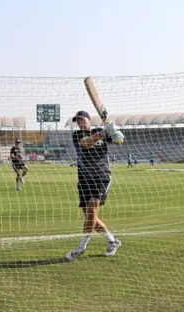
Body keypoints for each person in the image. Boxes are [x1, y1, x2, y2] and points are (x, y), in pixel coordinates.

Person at [65, 110, 124, 261]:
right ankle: (113, 241)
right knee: (91, 217)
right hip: (84, 178)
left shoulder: (99, 131)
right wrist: (105, 133)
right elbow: (85, 143)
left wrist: (117, 134)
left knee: (91, 212)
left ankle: (81, 247)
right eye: (77, 121)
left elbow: (119, 141)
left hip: (101, 176)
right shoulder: (77, 135)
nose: (80, 123)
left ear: (89, 119)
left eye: (82, 120)